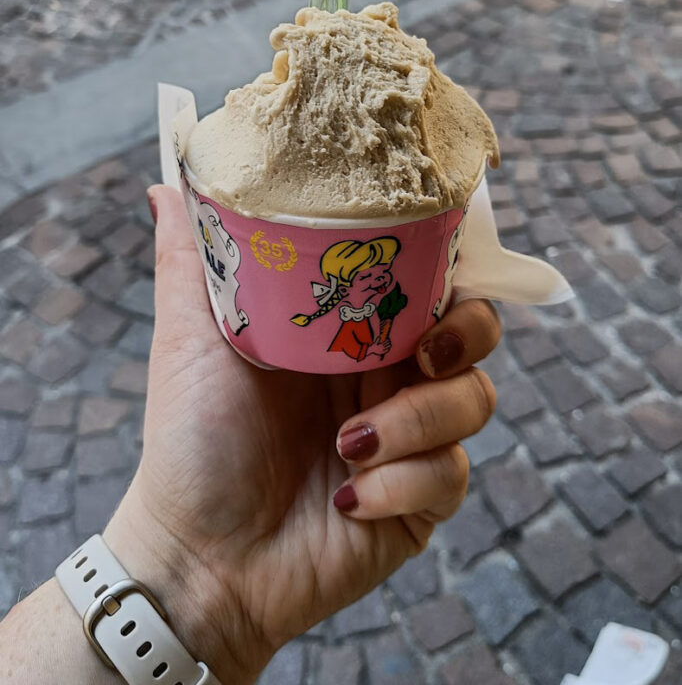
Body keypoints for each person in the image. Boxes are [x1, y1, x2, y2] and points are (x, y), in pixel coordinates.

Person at [0, 185, 501, 683]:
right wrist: (174, 553)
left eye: (380, 273)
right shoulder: (342, 312)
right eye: (367, 275)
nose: (376, 281)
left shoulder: (382, 304)